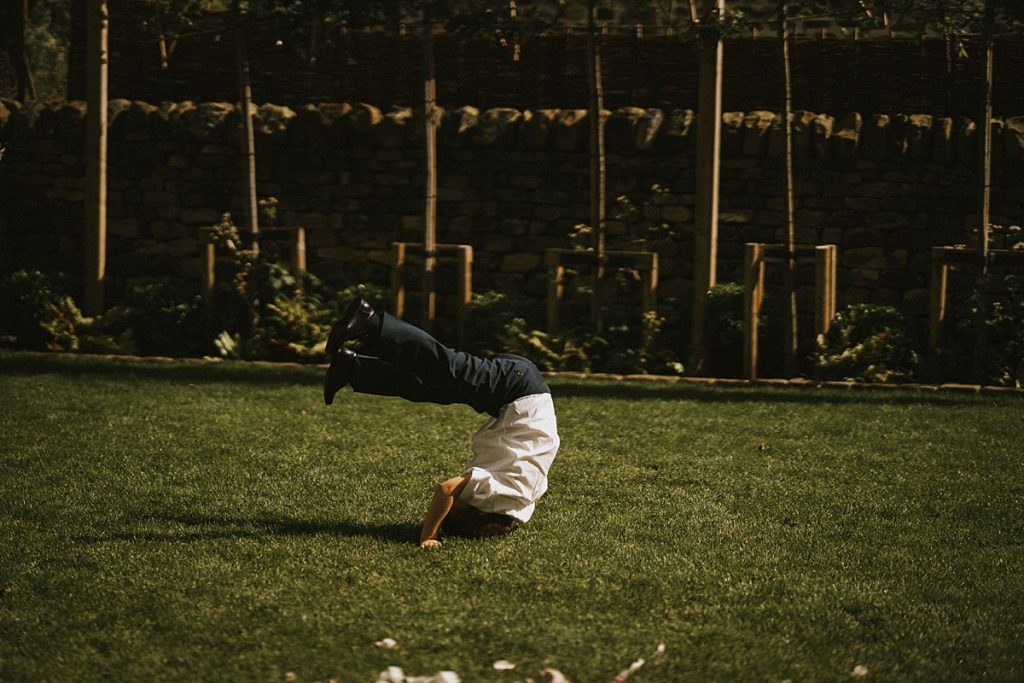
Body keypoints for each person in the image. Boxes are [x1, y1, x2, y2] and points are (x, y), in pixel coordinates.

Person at [323, 298, 560, 549]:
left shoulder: (519, 505)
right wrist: (429, 535)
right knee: (445, 365)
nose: (456, 503)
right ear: (478, 512)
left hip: (521, 393)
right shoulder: (497, 497)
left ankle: (352, 367)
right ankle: (370, 321)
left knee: (434, 386)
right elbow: (445, 490)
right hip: (518, 388)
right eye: (456, 510)